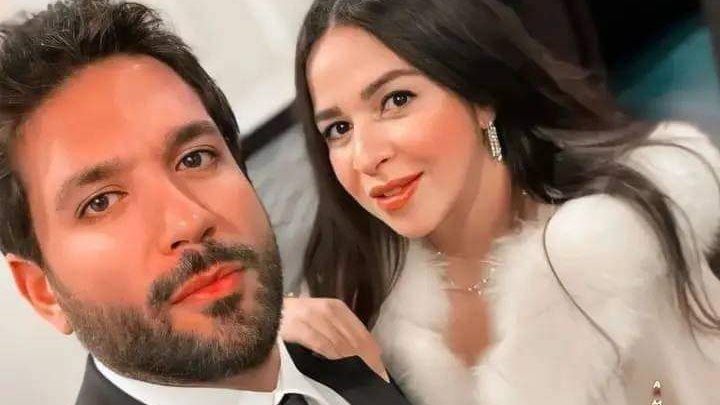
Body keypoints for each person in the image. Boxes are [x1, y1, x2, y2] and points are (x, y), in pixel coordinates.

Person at [285, 0, 720, 404]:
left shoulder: (617, 250)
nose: (365, 157)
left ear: (481, 98)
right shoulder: (361, 297)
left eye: (396, 100)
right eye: (339, 129)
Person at [0, 1, 411, 404]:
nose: (188, 220)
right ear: (43, 292)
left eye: (194, 159)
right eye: (101, 202)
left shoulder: (352, 351)